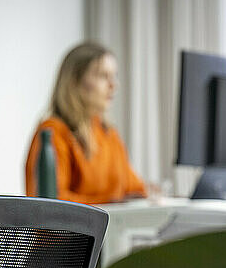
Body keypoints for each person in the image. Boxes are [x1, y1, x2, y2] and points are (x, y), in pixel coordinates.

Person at [25, 42, 146, 204]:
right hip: (76, 230)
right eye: (103, 76)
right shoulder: (53, 132)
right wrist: (111, 203)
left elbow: (134, 189)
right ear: (74, 81)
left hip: (113, 228)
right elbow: (51, 205)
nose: (113, 85)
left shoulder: (108, 134)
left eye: (114, 76)